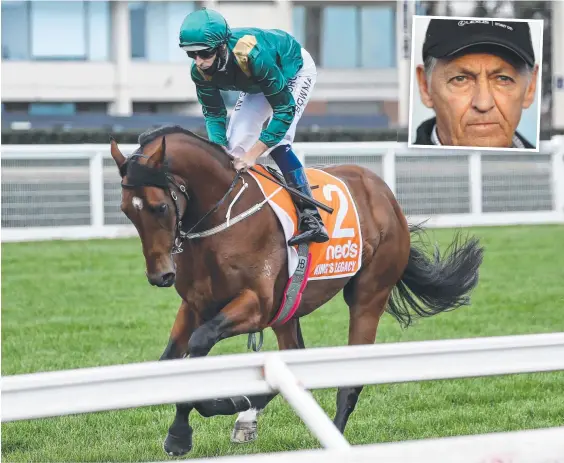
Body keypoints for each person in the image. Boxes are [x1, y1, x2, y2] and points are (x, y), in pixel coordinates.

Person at [178, 7, 329, 246]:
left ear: (221, 47)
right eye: (191, 54)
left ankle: (311, 217)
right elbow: (214, 113)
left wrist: (254, 154)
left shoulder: (252, 55)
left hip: (292, 71)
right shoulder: (200, 72)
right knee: (233, 146)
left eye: (204, 53)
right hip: (258, 83)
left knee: (278, 142)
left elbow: (284, 109)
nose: (199, 62)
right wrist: (219, 149)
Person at [413, 18, 539, 149]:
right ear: (425, 86)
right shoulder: (395, 168)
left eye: (503, 78)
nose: (483, 104)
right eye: (460, 79)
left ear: (530, 87)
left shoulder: (553, 167)